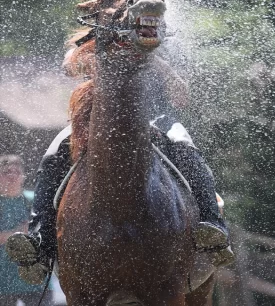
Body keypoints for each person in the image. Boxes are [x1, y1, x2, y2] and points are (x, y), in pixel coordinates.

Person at [5, 54, 235, 285]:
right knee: (52, 154)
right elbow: (68, 67)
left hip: (156, 119)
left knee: (186, 146)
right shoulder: (95, 34)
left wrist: (153, 60)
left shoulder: (156, 40)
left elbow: (181, 97)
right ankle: (40, 244)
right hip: (95, 121)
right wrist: (94, 58)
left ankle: (212, 225)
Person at [0, 155, 53, 305]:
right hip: (2, 284)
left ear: (23, 176)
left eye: (16, 171)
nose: (12, 175)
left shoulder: (35, 201)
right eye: (6, 171)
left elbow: (48, 234)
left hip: (36, 281)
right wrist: (20, 233)